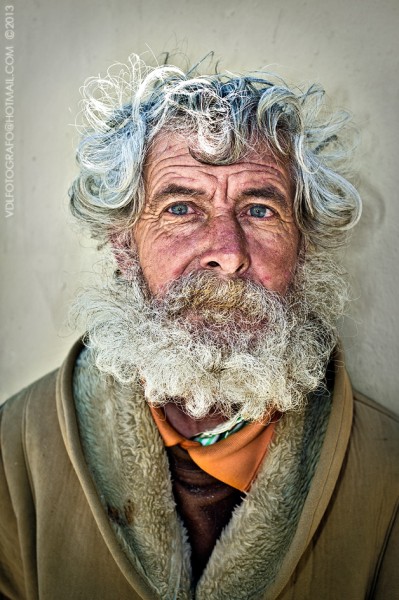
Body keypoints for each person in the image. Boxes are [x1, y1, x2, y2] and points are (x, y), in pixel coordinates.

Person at [1, 55, 398, 600]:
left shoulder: (388, 473)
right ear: (124, 245)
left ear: (303, 249)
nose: (228, 255)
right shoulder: (15, 448)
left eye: (260, 210)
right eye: (183, 208)